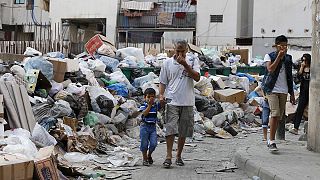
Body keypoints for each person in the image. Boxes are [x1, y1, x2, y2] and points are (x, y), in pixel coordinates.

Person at [159, 40, 200, 168]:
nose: (180, 53)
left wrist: (186, 65)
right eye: (178, 51)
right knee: (170, 128)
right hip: (172, 100)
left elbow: (197, 77)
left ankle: (178, 156)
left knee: (183, 130)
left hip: (187, 101)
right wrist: (161, 95)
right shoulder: (167, 63)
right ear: (174, 49)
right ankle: (168, 156)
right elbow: (162, 81)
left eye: (182, 51)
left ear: (187, 50)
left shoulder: (193, 61)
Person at [262, 35, 295, 152]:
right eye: (281, 46)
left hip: (284, 90)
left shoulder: (288, 58)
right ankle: (271, 141)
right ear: (276, 45)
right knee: (275, 114)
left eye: (286, 46)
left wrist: (292, 93)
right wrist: (278, 58)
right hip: (271, 89)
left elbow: (289, 76)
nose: (284, 48)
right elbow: (270, 69)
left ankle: (271, 139)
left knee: (279, 117)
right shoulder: (269, 56)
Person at [289, 53, 311, 135]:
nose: (304, 62)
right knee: (300, 109)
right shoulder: (302, 68)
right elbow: (297, 79)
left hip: (311, 91)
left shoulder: (313, 68)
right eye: (303, 60)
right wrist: (301, 68)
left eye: (305, 60)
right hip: (303, 91)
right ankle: (295, 127)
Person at [139, 88, 161, 166]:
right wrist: (149, 105)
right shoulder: (143, 105)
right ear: (145, 97)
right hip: (144, 127)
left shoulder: (156, 105)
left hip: (152, 128)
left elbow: (162, 104)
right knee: (144, 144)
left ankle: (149, 155)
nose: (150, 98)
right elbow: (144, 114)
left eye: (152, 97)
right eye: (148, 97)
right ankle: (145, 158)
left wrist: (162, 99)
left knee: (153, 144)